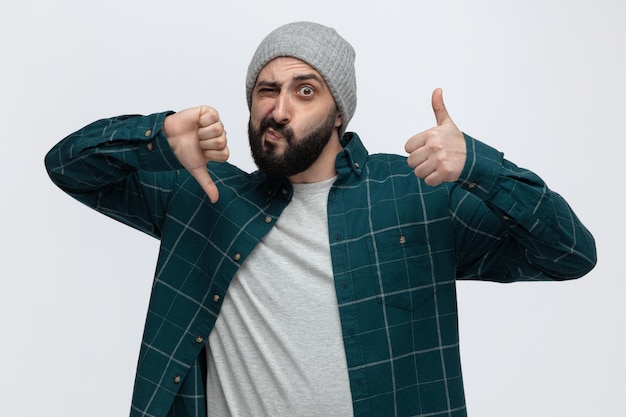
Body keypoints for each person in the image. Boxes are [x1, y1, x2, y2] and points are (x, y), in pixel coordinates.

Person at [45, 21, 596, 417]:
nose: (279, 108)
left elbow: (570, 253)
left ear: (338, 112)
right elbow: (67, 167)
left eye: (304, 90)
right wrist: (157, 136)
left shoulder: (414, 194)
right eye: (266, 90)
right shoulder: (208, 198)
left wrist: (481, 166)